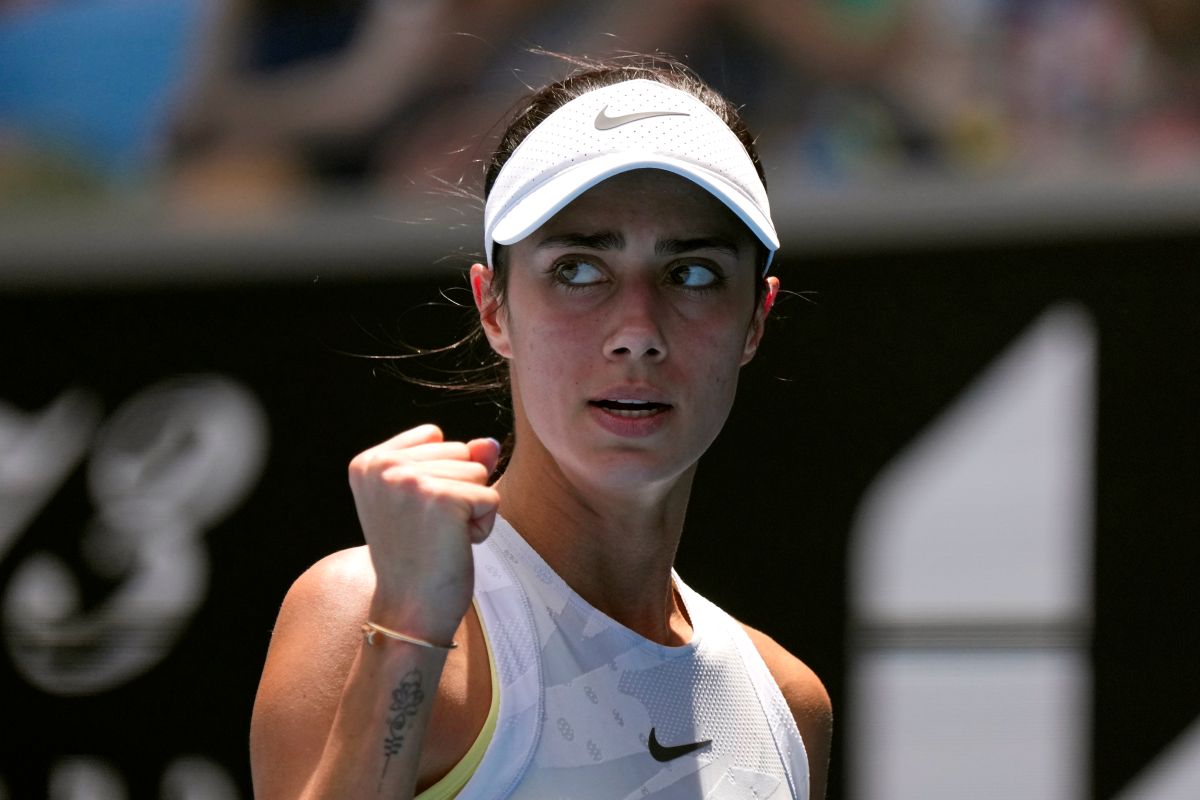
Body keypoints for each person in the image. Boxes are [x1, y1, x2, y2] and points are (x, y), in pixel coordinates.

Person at [249, 57, 832, 799]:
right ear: (494, 306)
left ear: (756, 317)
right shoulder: (362, 609)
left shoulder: (790, 707)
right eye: (580, 270)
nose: (636, 332)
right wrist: (408, 631)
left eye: (692, 274)